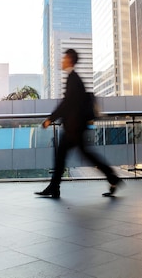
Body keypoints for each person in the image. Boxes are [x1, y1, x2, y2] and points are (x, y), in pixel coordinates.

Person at [35, 48, 122, 198]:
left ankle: (54, 187)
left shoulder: (73, 79)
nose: (61, 61)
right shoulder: (74, 78)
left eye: (64, 58)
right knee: (82, 155)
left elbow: (67, 104)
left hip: (73, 128)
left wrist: (51, 119)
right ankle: (112, 177)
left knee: (62, 155)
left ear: (69, 59)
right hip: (76, 127)